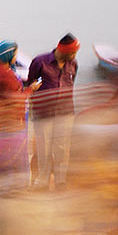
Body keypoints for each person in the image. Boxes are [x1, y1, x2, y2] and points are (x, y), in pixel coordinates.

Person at [26, 33, 79, 190]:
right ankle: (42, 182)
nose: (75, 55)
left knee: (62, 150)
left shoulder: (73, 64)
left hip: (65, 112)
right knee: (44, 149)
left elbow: (71, 82)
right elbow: (34, 81)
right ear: (64, 50)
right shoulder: (41, 62)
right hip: (44, 113)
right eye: (73, 52)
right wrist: (43, 82)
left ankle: (60, 182)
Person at [0, 40, 39, 191]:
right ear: (9, 55)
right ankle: (13, 188)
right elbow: (17, 99)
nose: (16, 57)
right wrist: (31, 89)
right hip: (11, 124)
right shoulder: (6, 76)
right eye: (15, 54)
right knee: (13, 158)